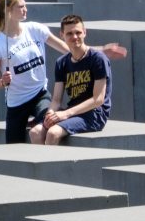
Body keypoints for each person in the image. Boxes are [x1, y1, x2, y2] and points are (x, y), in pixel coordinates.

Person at [0, 0, 69, 144]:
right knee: (14, 148)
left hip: (40, 94)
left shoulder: (35, 29)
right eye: (21, 7)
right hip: (16, 103)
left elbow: (68, 49)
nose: (26, 10)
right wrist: (3, 81)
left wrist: (99, 51)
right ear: (8, 11)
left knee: (46, 124)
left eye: (25, 6)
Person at [29, 15, 112, 145]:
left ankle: (52, 165)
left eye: (78, 32)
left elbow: (98, 99)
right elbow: (56, 99)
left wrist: (66, 114)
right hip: (72, 112)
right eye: (69, 34)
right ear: (62, 35)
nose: (74, 37)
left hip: (94, 114)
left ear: (85, 32)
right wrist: (50, 114)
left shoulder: (98, 59)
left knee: (53, 133)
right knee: (35, 132)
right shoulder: (61, 62)